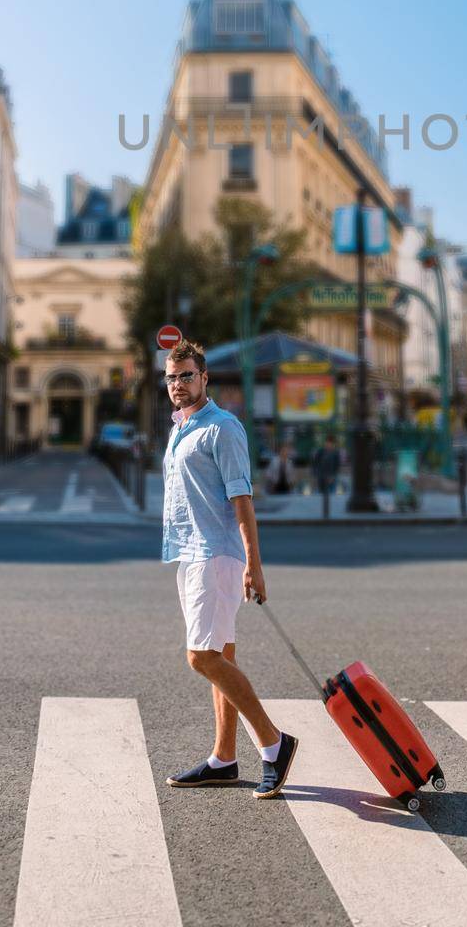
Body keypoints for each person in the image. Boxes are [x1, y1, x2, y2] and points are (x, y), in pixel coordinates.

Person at [160, 337, 299, 798]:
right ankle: (223, 758)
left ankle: (274, 744)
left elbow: (242, 499)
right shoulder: (181, 427)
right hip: (191, 552)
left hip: (216, 554)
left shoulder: (223, 428)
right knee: (222, 654)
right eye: (171, 377)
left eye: (186, 376)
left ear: (204, 378)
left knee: (201, 656)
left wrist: (252, 565)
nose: (178, 384)